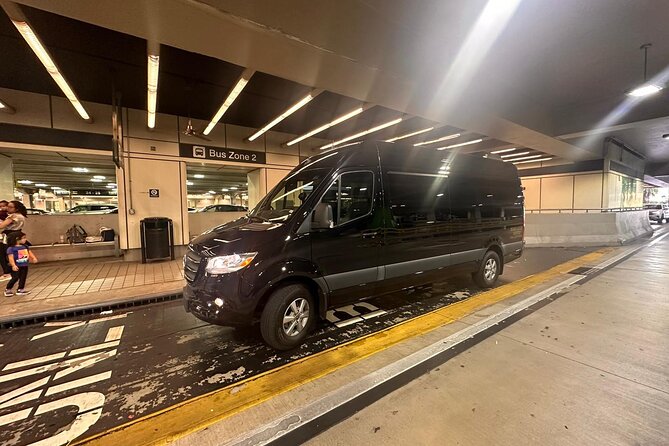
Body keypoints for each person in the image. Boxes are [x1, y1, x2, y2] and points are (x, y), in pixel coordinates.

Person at [0, 201, 28, 281]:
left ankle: (8, 272)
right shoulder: (21, 216)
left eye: (10, 207)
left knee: (5, 254)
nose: (7, 208)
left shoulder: (13, 216)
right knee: (16, 254)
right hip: (18, 235)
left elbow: (1, 226)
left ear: (16, 209)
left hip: (10, 236)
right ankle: (19, 271)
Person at [5, 231, 37, 297]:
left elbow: (29, 252)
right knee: (15, 278)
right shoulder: (11, 248)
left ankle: (20, 289)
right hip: (16, 266)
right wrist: (13, 265)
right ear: (17, 239)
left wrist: (33, 258)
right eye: (23, 238)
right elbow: (11, 258)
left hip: (24, 265)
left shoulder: (25, 246)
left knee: (23, 277)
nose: (25, 239)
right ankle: (8, 289)